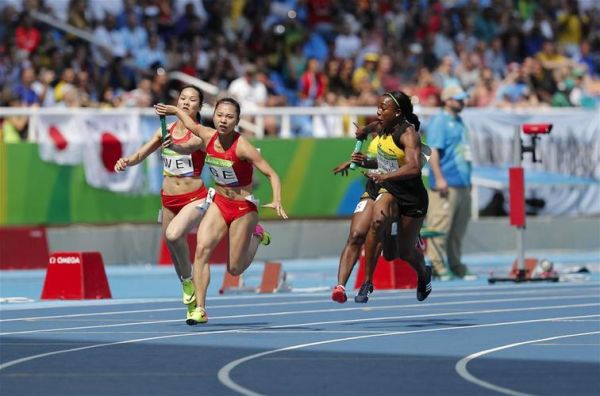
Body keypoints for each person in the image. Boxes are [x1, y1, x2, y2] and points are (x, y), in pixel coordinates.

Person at [155, 97, 288, 325]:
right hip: (219, 203)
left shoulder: (243, 147)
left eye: (229, 117)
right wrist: (175, 111)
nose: (223, 120)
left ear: (237, 120)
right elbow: (191, 126)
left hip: (243, 208)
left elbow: (272, 174)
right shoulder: (207, 136)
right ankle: (200, 309)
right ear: (214, 115)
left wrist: (276, 200)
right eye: (220, 115)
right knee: (201, 251)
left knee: (234, 269)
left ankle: (257, 236)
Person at [114, 85, 207, 320]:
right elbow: (139, 155)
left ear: (199, 106)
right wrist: (126, 161)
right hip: (168, 200)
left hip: (193, 198)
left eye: (192, 100)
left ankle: (190, 284)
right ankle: (190, 296)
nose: (186, 102)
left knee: (175, 235)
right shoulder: (163, 130)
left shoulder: (201, 133)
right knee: (173, 248)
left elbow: (187, 146)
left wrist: (173, 141)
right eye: (182, 98)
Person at [355, 91, 432, 303]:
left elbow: (415, 167)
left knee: (403, 253)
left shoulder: (408, 134)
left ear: (397, 112)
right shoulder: (383, 124)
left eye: (383, 108)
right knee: (376, 223)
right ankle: (367, 281)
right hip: (389, 191)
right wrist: (364, 130)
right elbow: (373, 127)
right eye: (377, 107)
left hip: (411, 198)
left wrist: (386, 175)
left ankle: (423, 273)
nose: (378, 112)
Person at [424, 85, 473, 280]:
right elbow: (432, 151)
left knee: (458, 230)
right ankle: (436, 265)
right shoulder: (439, 122)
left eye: (463, 99)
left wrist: (469, 181)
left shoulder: (459, 121)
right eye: (458, 99)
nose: (462, 102)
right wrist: (439, 178)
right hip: (446, 183)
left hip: (462, 183)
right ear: (447, 100)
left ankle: (456, 264)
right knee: (440, 226)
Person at [331, 122, 382, 303]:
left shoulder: (403, 134)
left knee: (396, 249)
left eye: (384, 110)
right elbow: (371, 154)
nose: (380, 116)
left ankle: (368, 281)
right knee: (356, 234)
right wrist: (354, 161)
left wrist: (364, 161)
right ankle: (340, 287)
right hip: (373, 190)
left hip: (395, 191)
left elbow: (402, 162)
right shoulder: (376, 134)